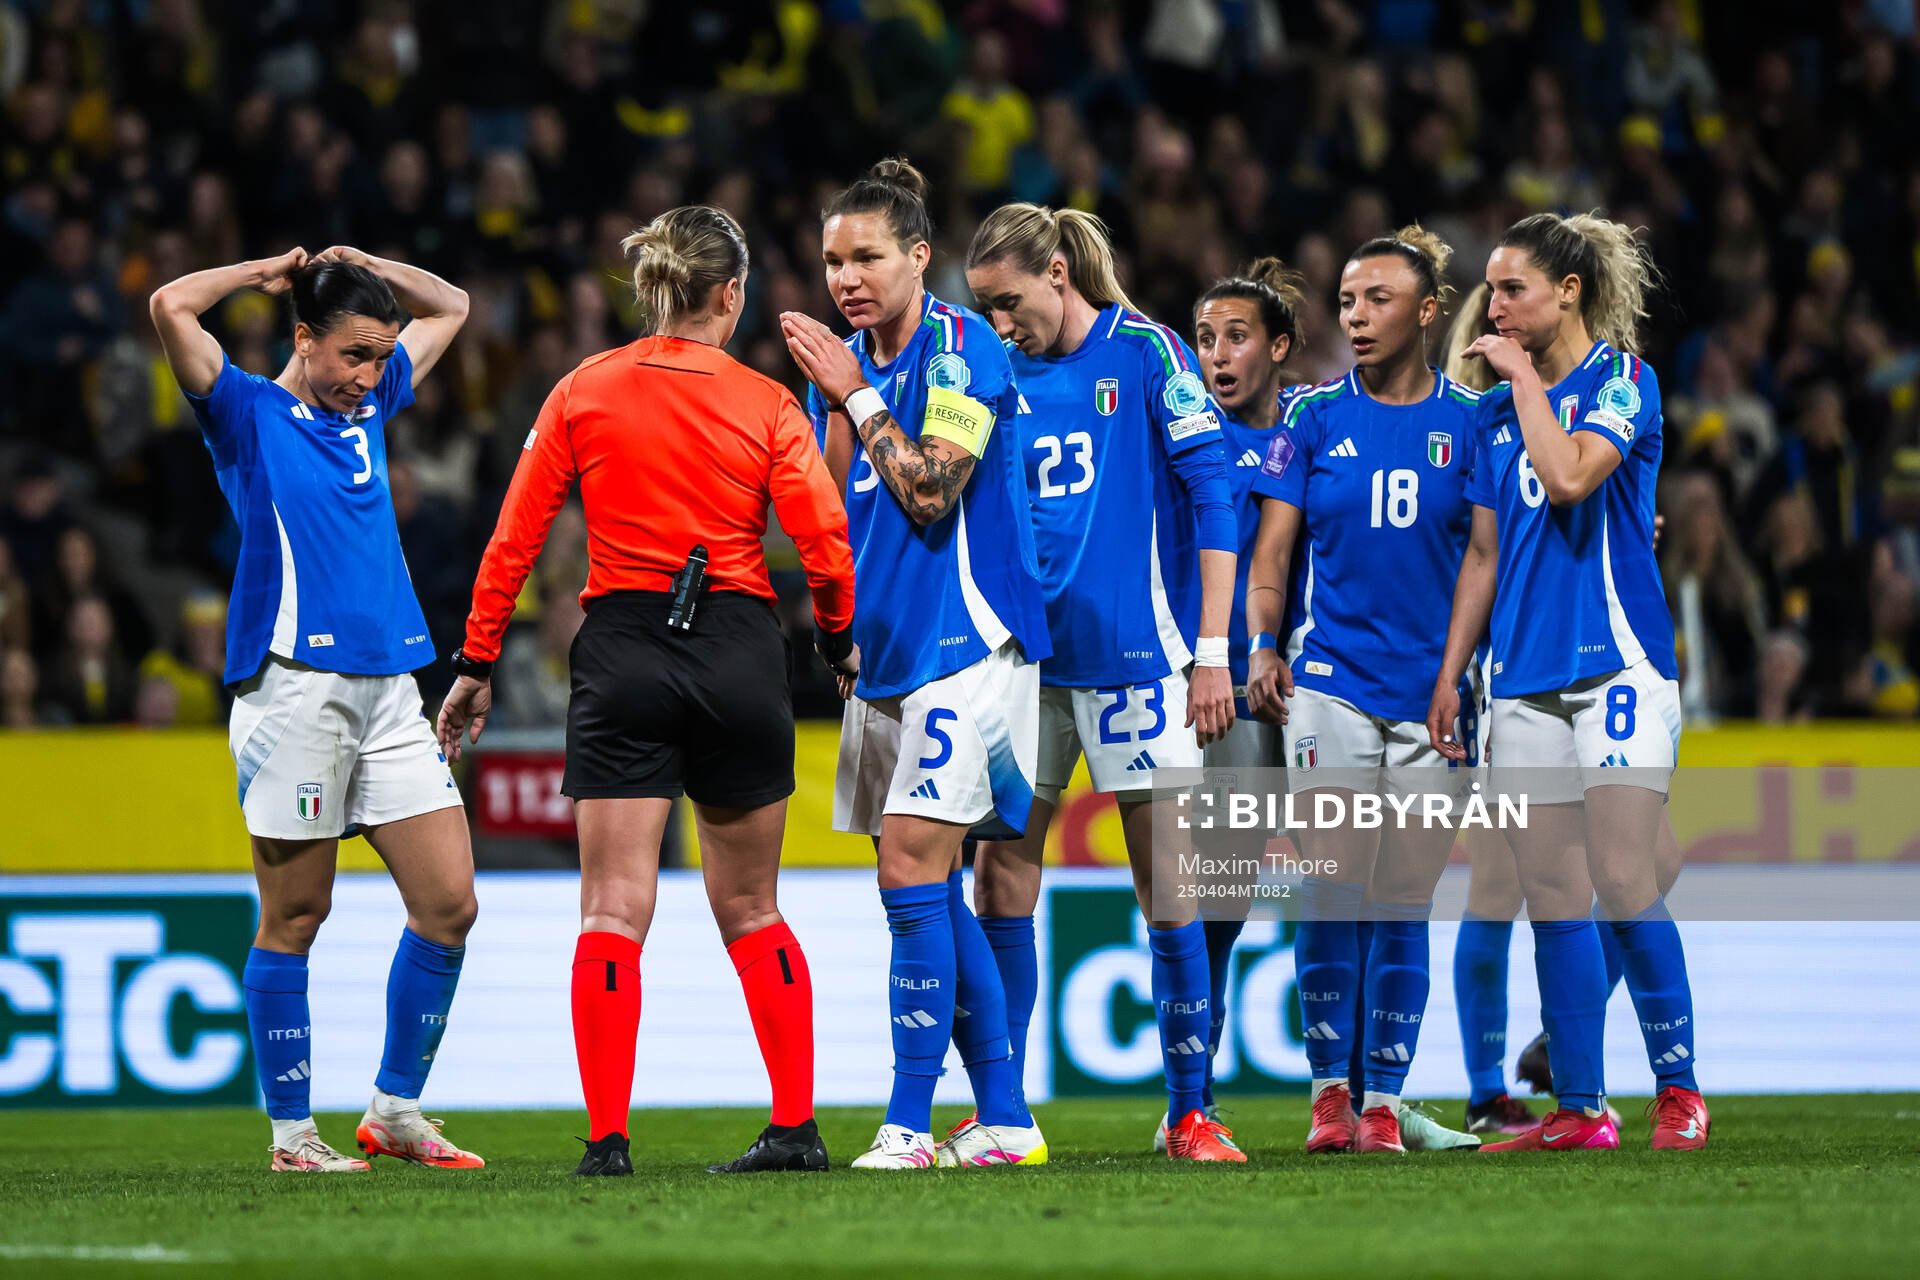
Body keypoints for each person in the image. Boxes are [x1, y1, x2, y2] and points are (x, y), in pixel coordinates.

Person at [440, 205, 857, 1177]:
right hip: (743, 647)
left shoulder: (584, 389)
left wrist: (476, 659)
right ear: (731, 293)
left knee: (611, 908)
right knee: (753, 904)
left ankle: (608, 1140)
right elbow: (826, 539)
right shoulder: (766, 402)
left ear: (653, 288)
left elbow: (515, 536)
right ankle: (794, 1126)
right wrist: (836, 640)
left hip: (623, 644)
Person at [149, 245, 483, 1173]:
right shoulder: (247, 413)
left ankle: (396, 1111)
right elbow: (172, 304)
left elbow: (451, 301)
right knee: (297, 915)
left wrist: (367, 263)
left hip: (391, 689)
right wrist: (260, 270)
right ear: (303, 338)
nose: (370, 377)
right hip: (294, 690)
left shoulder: (371, 402)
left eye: (381, 357)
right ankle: (293, 1136)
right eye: (353, 356)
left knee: (449, 904)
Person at [781, 159, 1052, 1170]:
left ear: (919, 257)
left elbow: (931, 492)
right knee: (924, 886)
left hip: (969, 644)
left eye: (867, 257)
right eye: (832, 260)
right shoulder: (840, 370)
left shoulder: (964, 352)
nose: (847, 277)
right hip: (885, 659)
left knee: (910, 867)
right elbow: (839, 519)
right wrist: (839, 633)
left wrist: (853, 396)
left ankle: (905, 1121)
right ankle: (1007, 1115)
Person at [963, 201, 1242, 1162]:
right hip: (1025, 665)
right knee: (1001, 877)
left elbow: (1215, 497)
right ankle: (1004, 1111)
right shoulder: (990, 371)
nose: (1001, 323)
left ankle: (1191, 1111)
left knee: (1167, 884)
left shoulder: (1148, 352)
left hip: (1137, 661)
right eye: (985, 308)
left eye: (1009, 301)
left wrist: (1212, 652)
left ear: (1055, 270)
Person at [1428, 212, 1710, 1152]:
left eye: (1512, 289)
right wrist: (1449, 678)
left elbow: (1571, 481)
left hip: (1617, 665)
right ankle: (1581, 1111)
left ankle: (1679, 1092)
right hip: (1520, 681)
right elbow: (1482, 555)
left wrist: (1519, 384)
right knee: (1550, 895)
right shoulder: (1491, 415)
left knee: (1628, 874)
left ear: (1570, 291)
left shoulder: (1624, 381)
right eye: (1494, 290)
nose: (1495, 306)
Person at [1243, 227, 1484, 1155]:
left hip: (1436, 698)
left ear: (1427, 312)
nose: (1357, 316)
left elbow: (1500, 552)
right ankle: (1330, 1096)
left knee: (1402, 899)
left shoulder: (1475, 422)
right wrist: (1265, 643)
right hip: (1331, 686)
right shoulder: (1309, 418)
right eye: (1347, 301)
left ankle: (1384, 1100)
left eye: (1379, 300)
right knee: (1331, 890)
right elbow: (1273, 554)